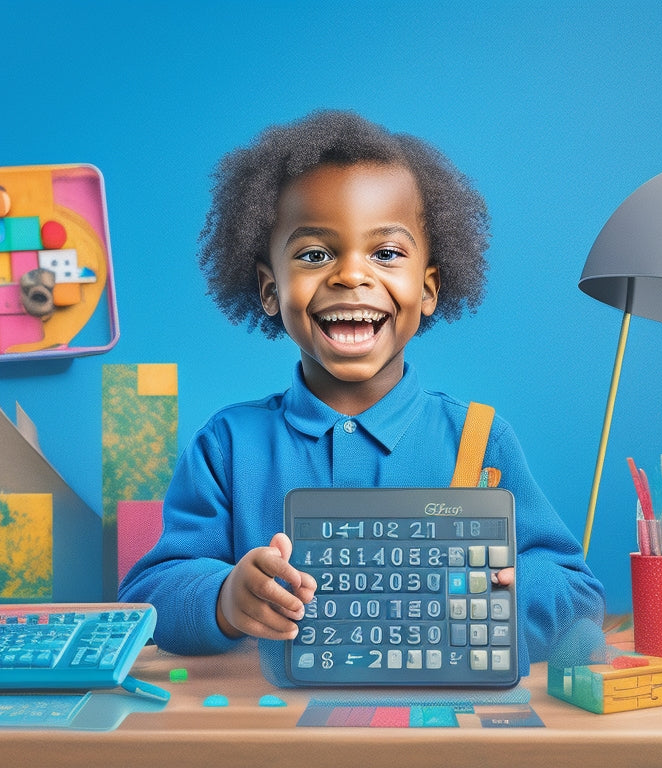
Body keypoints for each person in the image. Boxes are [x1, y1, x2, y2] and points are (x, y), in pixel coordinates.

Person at [119, 110, 605, 675]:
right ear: (270, 289)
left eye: (386, 253)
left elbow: (575, 590)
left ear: (427, 290)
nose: (351, 275)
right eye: (314, 254)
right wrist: (226, 598)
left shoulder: (477, 439)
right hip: (273, 733)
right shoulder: (228, 445)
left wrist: (511, 601)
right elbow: (150, 594)